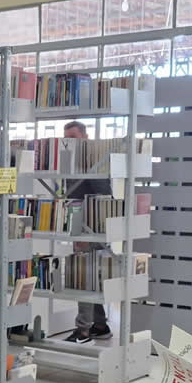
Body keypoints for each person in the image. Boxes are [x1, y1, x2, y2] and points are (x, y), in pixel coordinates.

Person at [61, 120, 112, 343]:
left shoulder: (93, 160)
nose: (70, 142)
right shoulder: (71, 159)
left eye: (74, 137)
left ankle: (82, 330)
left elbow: (103, 196)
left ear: (85, 135)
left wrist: (90, 229)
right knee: (91, 277)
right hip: (78, 224)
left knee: (84, 276)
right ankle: (100, 325)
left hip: (91, 227)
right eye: (67, 138)